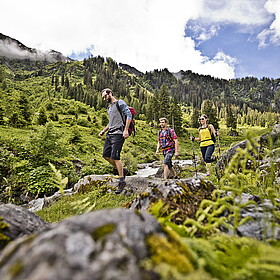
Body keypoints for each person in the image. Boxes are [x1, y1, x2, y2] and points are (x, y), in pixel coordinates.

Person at [99, 88, 132, 194]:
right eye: (103, 97)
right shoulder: (109, 108)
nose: (104, 99)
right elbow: (111, 122)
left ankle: (122, 181)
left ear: (110, 93)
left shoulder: (120, 103)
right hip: (110, 134)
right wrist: (104, 131)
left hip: (119, 133)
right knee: (105, 155)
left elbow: (129, 115)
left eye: (105, 96)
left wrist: (126, 130)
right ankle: (123, 170)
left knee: (115, 157)